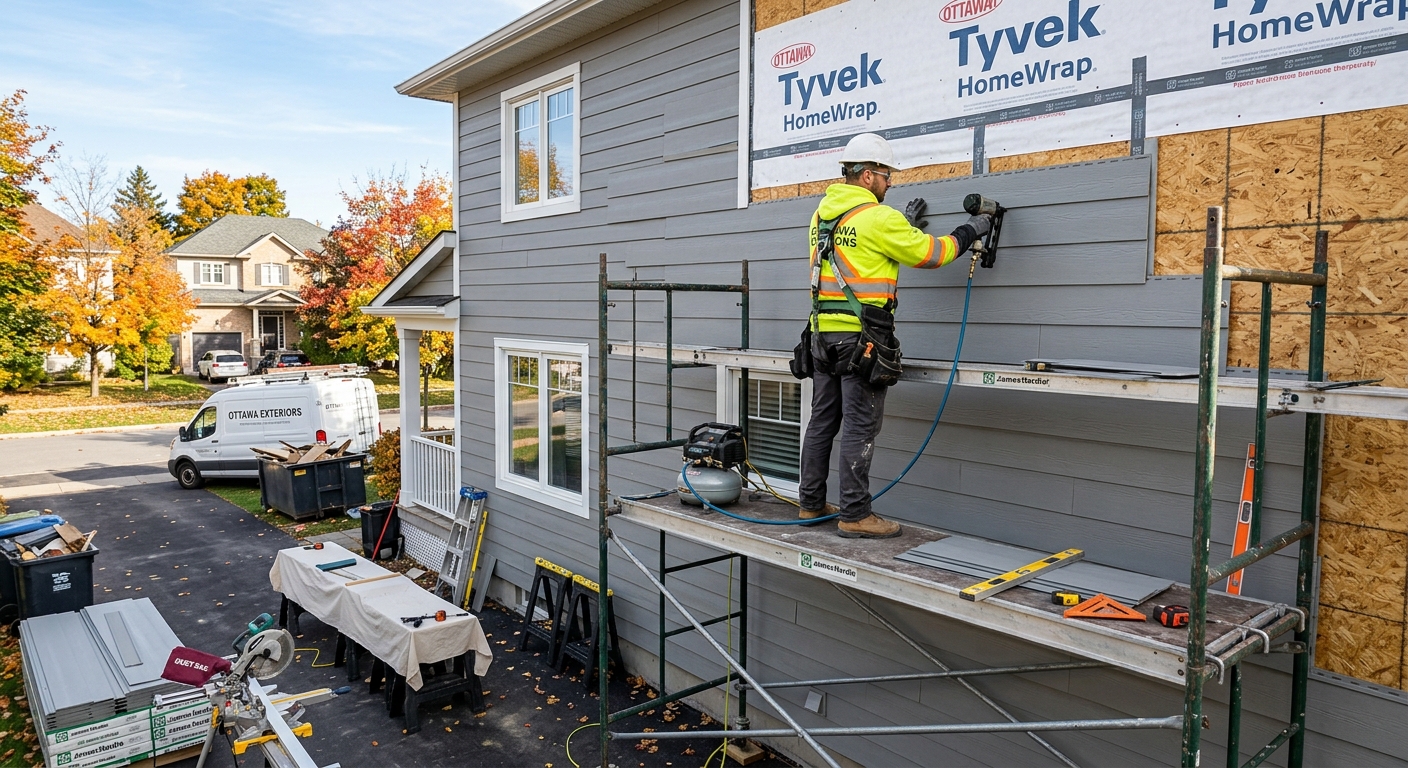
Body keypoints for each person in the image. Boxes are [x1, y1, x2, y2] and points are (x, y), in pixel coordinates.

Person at [798, 133, 991, 538]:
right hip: (861, 341)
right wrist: (971, 230)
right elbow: (934, 254)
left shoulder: (821, 217)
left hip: (821, 337)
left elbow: (857, 254)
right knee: (858, 427)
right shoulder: (878, 218)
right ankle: (854, 514)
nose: (890, 183)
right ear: (867, 175)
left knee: (822, 423)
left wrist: (903, 226)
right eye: (887, 176)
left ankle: (811, 504)